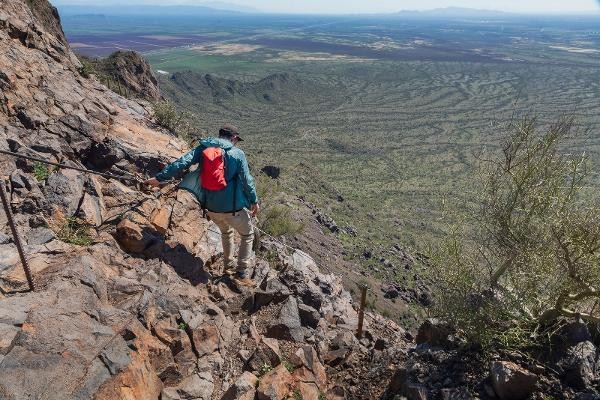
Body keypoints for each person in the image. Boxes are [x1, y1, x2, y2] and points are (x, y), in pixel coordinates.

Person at [145, 124, 260, 286]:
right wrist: (254, 201)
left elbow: (182, 162)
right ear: (233, 138)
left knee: (226, 233)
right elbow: (247, 181)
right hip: (233, 208)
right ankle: (241, 273)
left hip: (211, 208)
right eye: (237, 140)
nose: (237, 143)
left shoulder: (203, 148)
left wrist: (159, 178)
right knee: (248, 235)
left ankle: (228, 267)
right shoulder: (237, 154)